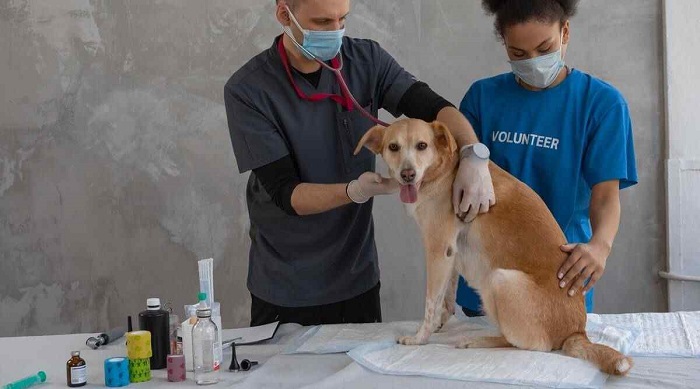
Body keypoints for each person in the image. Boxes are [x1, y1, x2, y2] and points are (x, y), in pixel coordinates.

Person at [224, 0, 496, 327]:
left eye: (342, 19)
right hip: (286, 283)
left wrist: (473, 155)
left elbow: (436, 108)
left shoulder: (366, 61)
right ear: (285, 15)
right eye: (322, 22)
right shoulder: (249, 90)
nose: (335, 32)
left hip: (355, 277)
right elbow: (285, 193)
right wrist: (355, 191)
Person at [456, 0, 638, 316]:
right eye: (519, 54)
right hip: (488, 275)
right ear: (504, 44)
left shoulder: (602, 105)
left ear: (565, 31)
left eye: (545, 49)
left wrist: (599, 247)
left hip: (560, 277)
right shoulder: (482, 99)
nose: (534, 63)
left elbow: (606, 198)